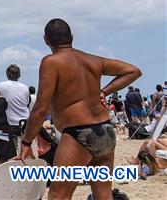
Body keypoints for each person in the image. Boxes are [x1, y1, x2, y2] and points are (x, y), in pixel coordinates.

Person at [21, 18, 142, 200]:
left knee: (58, 195)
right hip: (106, 130)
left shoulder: (51, 62)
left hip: (79, 133)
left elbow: (40, 108)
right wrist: (104, 91)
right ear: (72, 37)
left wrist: (26, 142)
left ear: (45, 39)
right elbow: (133, 70)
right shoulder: (93, 60)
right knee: (103, 194)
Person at [0, 64, 31, 146]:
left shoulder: (1, 86)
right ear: (19, 75)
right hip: (25, 120)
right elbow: (27, 102)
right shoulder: (25, 87)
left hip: (9, 121)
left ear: (7, 74)